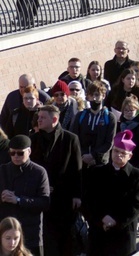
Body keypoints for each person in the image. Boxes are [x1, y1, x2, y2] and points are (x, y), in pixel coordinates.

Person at [82, 130, 139, 256]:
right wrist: (101, 219)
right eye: (116, 151)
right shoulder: (97, 172)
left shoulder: (137, 175)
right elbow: (89, 200)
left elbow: (135, 205)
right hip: (98, 232)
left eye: (123, 153)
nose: (119, 155)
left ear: (130, 156)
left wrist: (116, 221)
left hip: (123, 233)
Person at [30, 105, 82, 256]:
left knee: (64, 240)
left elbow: (76, 169)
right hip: (40, 198)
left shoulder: (70, 139)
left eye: (42, 117)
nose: (38, 120)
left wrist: (77, 195)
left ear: (54, 119)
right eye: (38, 117)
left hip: (63, 199)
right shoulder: (33, 140)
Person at [0, 135, 50, 256]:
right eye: (12, 153)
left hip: (30, 231)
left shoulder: (39, 172)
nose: (16, 156)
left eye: (20, 153)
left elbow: (44, 202)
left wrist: (18, 200)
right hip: (6, 232)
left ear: (29, 151)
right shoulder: (3, 170)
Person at [70, 81, 116, 168]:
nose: (94, 98)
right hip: (81, 160)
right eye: (91, 95)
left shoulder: (109, 117)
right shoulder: (80, 116)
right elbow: (74, 138)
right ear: (87, 97)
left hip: (101, 162)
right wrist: (83, 155)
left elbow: (109, 142)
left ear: (103, 96)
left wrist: (93, 155)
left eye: (97, 95)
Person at [117, 96, 139, 167]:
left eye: (131, 110)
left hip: (137, 160)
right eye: (126, 110)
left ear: (136, 111)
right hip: (121, 159)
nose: (128, 113)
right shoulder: (119, 125)